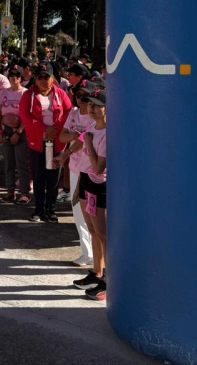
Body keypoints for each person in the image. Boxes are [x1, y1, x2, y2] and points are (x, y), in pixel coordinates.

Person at [19, 62, 71, 223]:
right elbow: (25, 115)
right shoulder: (28, 95)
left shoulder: (60, 94)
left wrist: (55, 129)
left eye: (46, 77)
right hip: (37, 142)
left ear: (52, 78)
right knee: (39, 177)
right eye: (39, 77)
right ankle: (39, 209)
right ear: (35, 79)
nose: (42, 80)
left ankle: (51, 209)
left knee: (54, 177)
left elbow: (68, 111)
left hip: (57, 141)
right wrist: (43, 129)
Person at [55, 82, 96, 266]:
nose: (81, 100)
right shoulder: (73, 113)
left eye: (85, 96)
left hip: (92, 171)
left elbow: (84, 139)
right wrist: (72, 137)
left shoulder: (98, 117)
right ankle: (87, 253)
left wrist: (70, 145)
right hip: (75, 168)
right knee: (78, 212)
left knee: (94, 215)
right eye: (78, 96)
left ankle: (98, 256)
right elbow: (63, 136)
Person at [73, 89, 108, 301]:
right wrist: (78, 186)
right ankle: (97, 273)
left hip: (99, 186)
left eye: (96, 105)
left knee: (104, 235)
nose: (91, 108)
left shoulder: (108, 133)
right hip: (86, 181)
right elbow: (86, 162)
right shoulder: (92, 127)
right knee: (93, 231)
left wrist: (88, 143)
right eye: (90, 104)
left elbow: (98, 168)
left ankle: (109, 281)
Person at [0, 65, 30, 204]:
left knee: (22, 164)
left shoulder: (25, 93)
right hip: (6, 130)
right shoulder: (3, 93)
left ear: (21, 78)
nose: (14, 78)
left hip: (21, 131)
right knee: (8, 163)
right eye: (11, 75)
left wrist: (19, 131)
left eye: (17, 76)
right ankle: (10, 191)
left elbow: (28, 115)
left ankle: (25, 192)